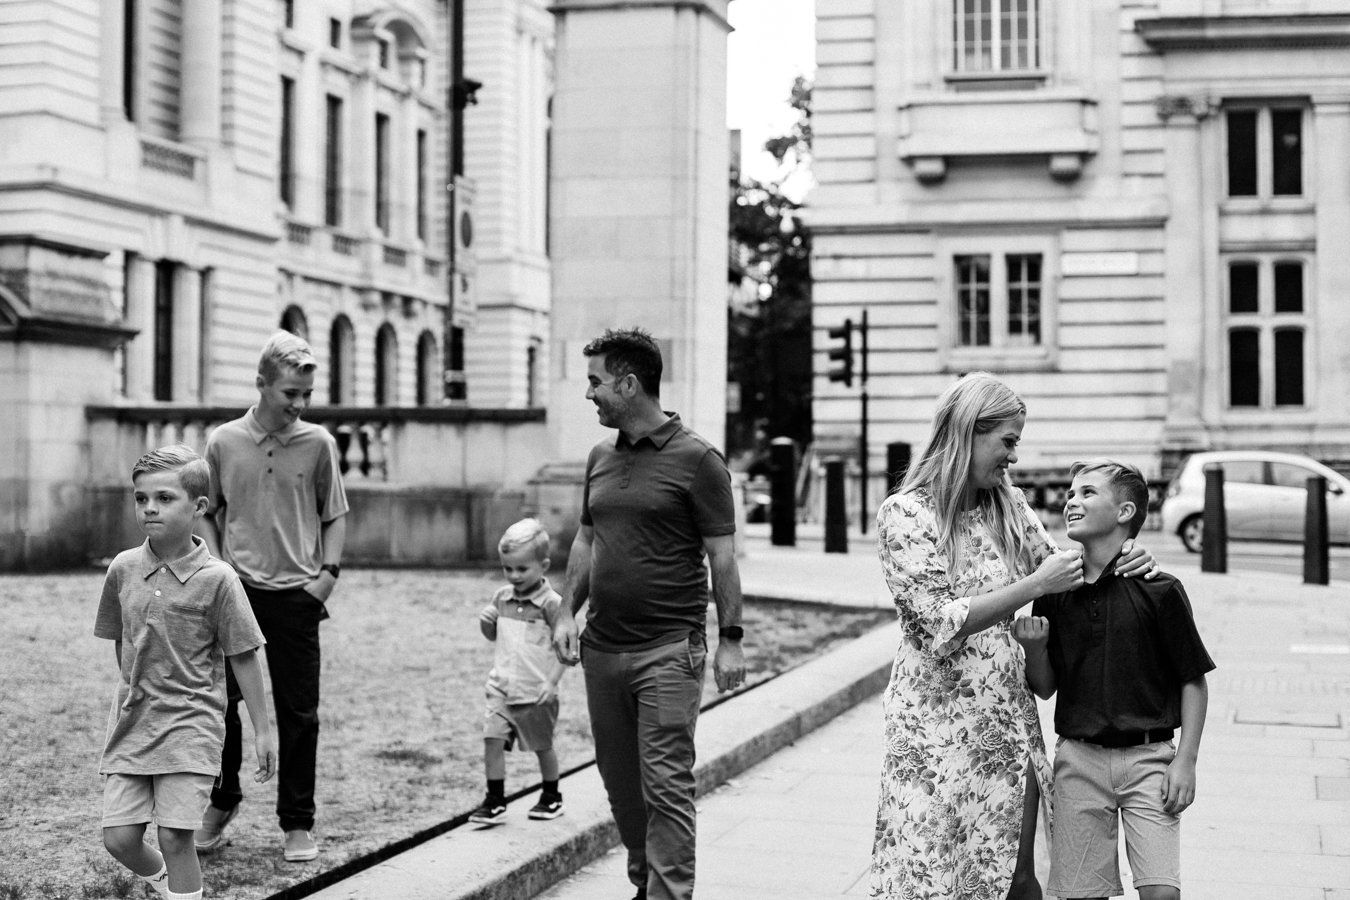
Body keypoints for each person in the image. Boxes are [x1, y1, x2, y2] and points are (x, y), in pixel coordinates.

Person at [869, 371, 1156, 900]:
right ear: (969, 432)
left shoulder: (1007, 504)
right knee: (931, 878)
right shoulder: (904, 514)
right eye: (1008, 441)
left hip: (1006, 719)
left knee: (1018, 878)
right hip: (932, 732)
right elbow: (937, 620)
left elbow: (1065, 576)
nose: (1013, 457)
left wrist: (1123, 553)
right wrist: (1032, 583)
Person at [552, 327, 746, 900]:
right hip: (602, 650)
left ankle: (668, 893)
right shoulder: (599, 458)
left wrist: (730, 639)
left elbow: (723, 557)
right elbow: (586, 542)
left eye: (596, 381)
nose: (589, 394)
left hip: (669, 651)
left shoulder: (698, 460)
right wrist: (566, 613)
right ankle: (646, 879)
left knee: (665, 786)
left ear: (629, 383)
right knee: (621, 787)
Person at [1014, 459, 1214, 900]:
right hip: (1078, 763)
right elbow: (1046, 686)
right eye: (1070, 494)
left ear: (1124, 513)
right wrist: (1034, 651)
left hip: (1150, 761)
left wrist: (1186, 760)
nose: (1071, 501)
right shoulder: (1056, 590)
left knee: (1162, 892)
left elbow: (1193, 681)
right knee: (1082, 894)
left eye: (1087, 493)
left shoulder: (1160, 588)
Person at [194, 331, 349, 863]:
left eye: (307, 394)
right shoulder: (222, 442)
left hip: (297, 597)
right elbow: (206, 511)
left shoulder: (319, 444)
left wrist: (326, 576)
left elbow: (335, 513)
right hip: (236, 593)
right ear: (261, 385)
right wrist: (218, 570)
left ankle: (297, 822)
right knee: (222, 704)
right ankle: (222, 800)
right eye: (290, 394)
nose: (300, 405)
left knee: (300, 711)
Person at [95, 445, 276, 900]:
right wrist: (133, 691)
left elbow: (244, 654)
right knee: (118, 839)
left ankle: (182, 891)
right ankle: (172, 889)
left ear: (198, 507)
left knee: (176, 838)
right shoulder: (122, 568)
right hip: (134, 724)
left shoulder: (219, 579)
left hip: (191, 725)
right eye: (141, 498)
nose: (149, 507)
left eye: (164, 497)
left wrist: (263, 731)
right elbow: (124, 640)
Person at [469, 518, 568, 826]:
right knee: (492, 739)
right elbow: (493, 636)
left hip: (534, 690)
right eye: (507, 568)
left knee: (542, 745)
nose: (513, 576)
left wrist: (551, 683)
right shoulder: (501, 597)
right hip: (501, 687)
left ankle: (552, 795)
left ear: (544, 565)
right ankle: (495, 799)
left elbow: (567, 649)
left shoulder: (552, 605)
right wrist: (487, 623)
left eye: (522, 569)